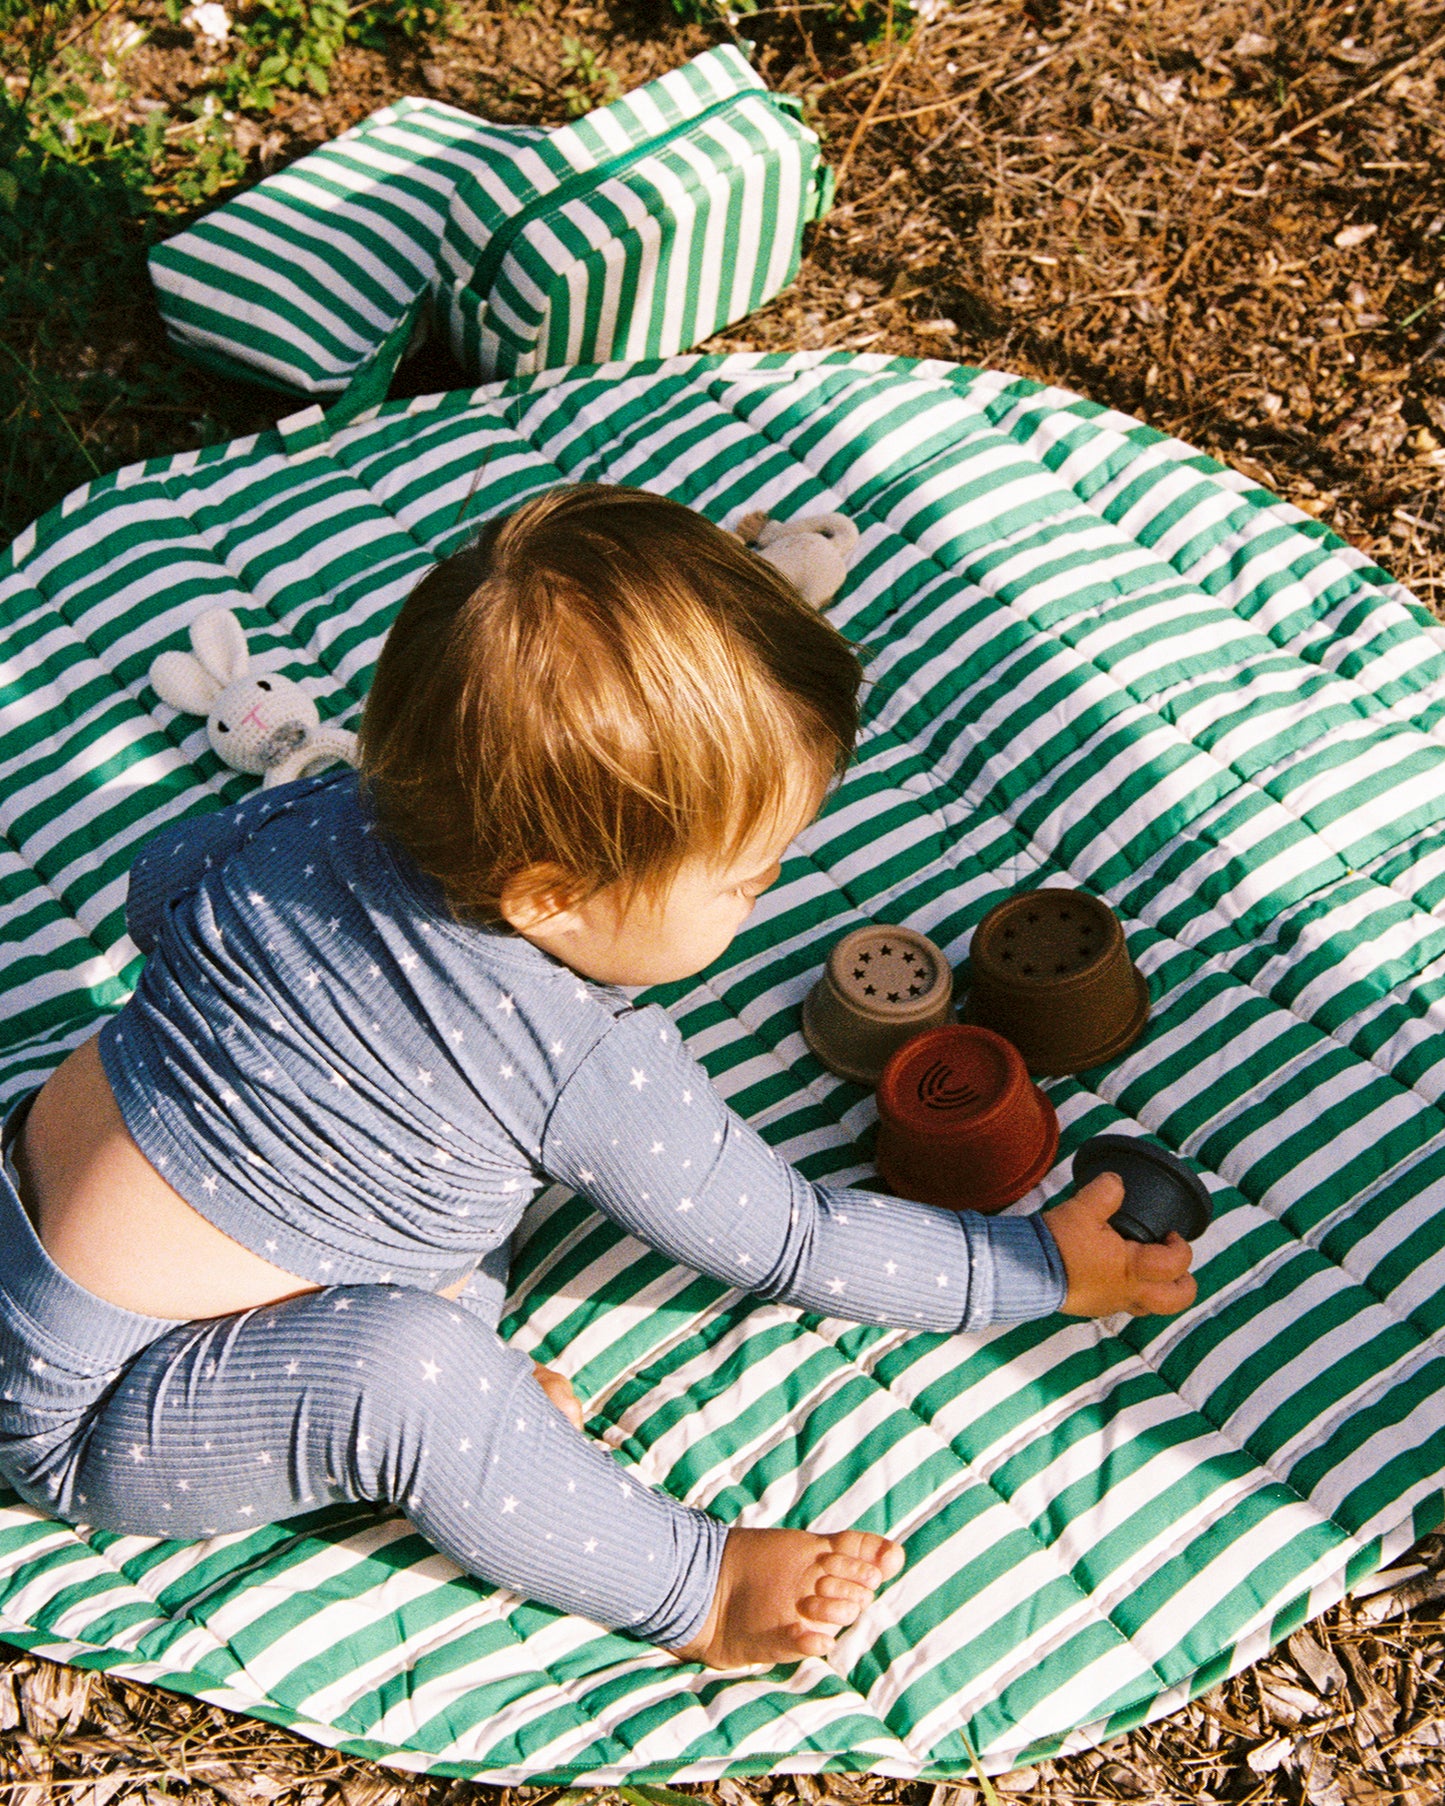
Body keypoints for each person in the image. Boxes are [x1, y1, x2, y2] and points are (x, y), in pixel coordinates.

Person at [0, 484, 1196, 1670]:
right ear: (547, 899)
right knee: (412, 1374)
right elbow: (792, 1240)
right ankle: (700, 1588)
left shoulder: (323, 807)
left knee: (431, 1216)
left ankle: (468, 1407)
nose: (768, 893)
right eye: (746, 879)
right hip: (99, 1412)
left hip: (25, 1200)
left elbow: (153, 889)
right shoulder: (583, 1059)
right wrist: (1039, 1268)